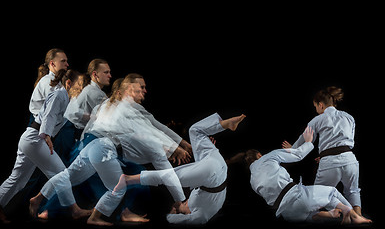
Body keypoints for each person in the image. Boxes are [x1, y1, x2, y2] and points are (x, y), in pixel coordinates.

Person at [29, 75, 188, 226]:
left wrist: (173, 146)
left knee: (68, 176)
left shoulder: (104, 106)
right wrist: (172, 148)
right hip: (103, 147)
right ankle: (96, 217)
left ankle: (38, 198)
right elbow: (146, 132)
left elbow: (145, 129)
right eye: (137, 90)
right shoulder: (125, 109)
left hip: (90, 145)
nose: (141, 93)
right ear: (123, 92)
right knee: (118, 188)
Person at [114, 113, 246, 225]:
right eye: (181, 208)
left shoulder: (208, 203)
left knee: (195, 131)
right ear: (186, 213)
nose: (181, 203)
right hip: (212, 174)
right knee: (168, 177)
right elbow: (169, 219)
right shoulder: (200, 216)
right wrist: (172, 213)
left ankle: (226, 124)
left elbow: (199, 172)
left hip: (216, 163)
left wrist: (203, 152)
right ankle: (127, 179)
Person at [0, 69, 91, 223]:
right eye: (80, 85)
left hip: (30, 139)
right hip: (36, 138)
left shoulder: (68, 99)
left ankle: (12, 204)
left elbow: (76, 116)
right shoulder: (59, 94)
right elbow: (49, 115)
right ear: (68, 83)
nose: (81, 90)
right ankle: (73, 209)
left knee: (18, 180)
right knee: (61, 172)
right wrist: (47, 136)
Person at [242, 127, 371, 225]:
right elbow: (298, 155)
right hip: (299, 197)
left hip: (287, 214)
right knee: (332, 192)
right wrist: (308, 142)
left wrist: (291, 149)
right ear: (259, 155)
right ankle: (354, 216)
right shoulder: (268, 157)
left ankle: (331, 214)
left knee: (310, 213)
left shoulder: (252, 181)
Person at [282, 86, 362, 215]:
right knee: (353, 190)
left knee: (317, 195)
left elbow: (304, 139)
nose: (316, 110)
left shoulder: (317, 120)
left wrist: (292, 148)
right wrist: (326, 153)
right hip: (350, 160)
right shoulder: (349, 117)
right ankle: (358, 216)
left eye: (315, 107)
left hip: (330, 163)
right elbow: (347, 142)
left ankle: (327, 216)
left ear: (321, 105)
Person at [29, 48, 69, 121]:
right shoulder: (47, 81)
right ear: (52, 63)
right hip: (40, 124)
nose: (67, 64)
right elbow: (54, 108)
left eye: (66, 61)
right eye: (63, 61)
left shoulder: (57, 81)